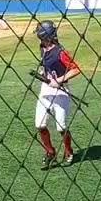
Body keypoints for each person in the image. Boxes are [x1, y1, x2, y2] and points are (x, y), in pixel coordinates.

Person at [34, 21, 81, 169]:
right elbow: (46, 65)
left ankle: (69, 151)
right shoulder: (42, 48)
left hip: (61, 90)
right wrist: (44, 72)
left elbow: (76, 69)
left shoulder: (61, 52)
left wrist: (59, 80)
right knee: (40, 124)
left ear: (45, 36)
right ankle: (50, 152)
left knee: (61, 127)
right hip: (46, 89)